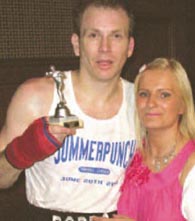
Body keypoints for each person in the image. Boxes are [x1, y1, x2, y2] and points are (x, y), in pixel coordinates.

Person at [0, 1, 136, 220]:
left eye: (116, 36)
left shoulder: (143, 104)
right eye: (93, 35)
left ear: (129, 47)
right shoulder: (37, 96)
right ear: (76, 44)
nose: (105, 47)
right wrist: (22, 151)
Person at [116, 58, 195, 221]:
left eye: (164, 95)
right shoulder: (133, 154)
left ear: (182, 105)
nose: (151, 103)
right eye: (144, 94)